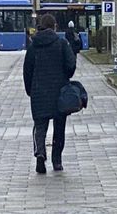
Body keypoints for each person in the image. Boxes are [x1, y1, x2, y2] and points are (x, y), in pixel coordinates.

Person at [23, 14, 76, 173]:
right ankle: (57, 160)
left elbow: (27, 71)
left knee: (40, 126)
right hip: (59, 93)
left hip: (39, 92)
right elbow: (70, 65)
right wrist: (66, 77)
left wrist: (30, 90)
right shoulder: (61, 44)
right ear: (54, 27)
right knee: (59, 127)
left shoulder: (33, 47)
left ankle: (40, 153)